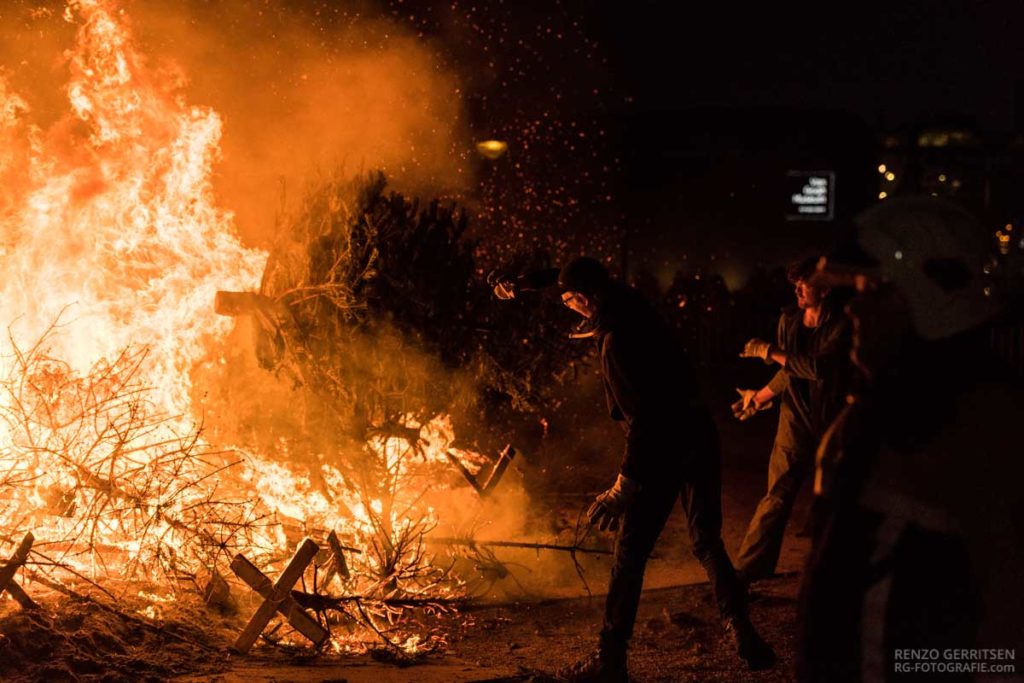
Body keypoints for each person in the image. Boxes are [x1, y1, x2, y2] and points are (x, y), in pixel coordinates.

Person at [797, 196, 1024, 681]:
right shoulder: (871, 415)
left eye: (873, 289)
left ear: (931, 296)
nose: (854, 307)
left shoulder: (983, 431)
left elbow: (1004, 637)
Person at [552, 257, 775, 682]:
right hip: (699, 434)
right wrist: (530, 282)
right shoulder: (631, 304)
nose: (573, 312)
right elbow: (581, 280)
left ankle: (610, 659)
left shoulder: (616, 339)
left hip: (664, 446)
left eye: (572, 304)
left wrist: (624, 485)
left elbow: (645, 421)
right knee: (707, 541)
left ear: (583, 299)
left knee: (629, 554)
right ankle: (742, 629)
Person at [730, 256, 851, 586]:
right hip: (795, 418)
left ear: (824, 289)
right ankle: (747, 571)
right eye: (795, 283)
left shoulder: (844, 324)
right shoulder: (790, 321)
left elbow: (819, 368)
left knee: (836, 499)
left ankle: (836, 574)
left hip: (834, 421)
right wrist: (758, 397)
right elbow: (791, 371)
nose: (797, 289)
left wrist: (768, 351)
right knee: (776, 496)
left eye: (804, 283)